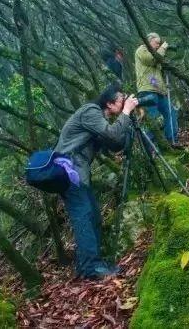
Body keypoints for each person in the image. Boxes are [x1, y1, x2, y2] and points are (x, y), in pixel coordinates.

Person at [54, 83, 138, 279]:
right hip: (70, 174)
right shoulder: (90, 111)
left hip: (78, 175)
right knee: (84, 218)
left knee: (93, 217)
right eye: (121, 100)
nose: (124, 102)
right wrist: (126, 113)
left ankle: (89, 266)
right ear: (109, 103)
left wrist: (130, 123)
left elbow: (114, 144)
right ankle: (91, 269)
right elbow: (111, 133)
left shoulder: (99, 120)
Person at [134, 32, 180, 148]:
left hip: (158, 91)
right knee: (152, 119)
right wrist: (164, 47)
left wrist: (163, 88)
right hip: (146, 91)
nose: (158, 46)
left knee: (170, 112)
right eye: (156, 43)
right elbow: (151, 60)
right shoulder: (141, 50)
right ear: (149, 41)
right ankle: (150, 148)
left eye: (160, 44)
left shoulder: (156, 54)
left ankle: (171, 140)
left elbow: (152, 77)